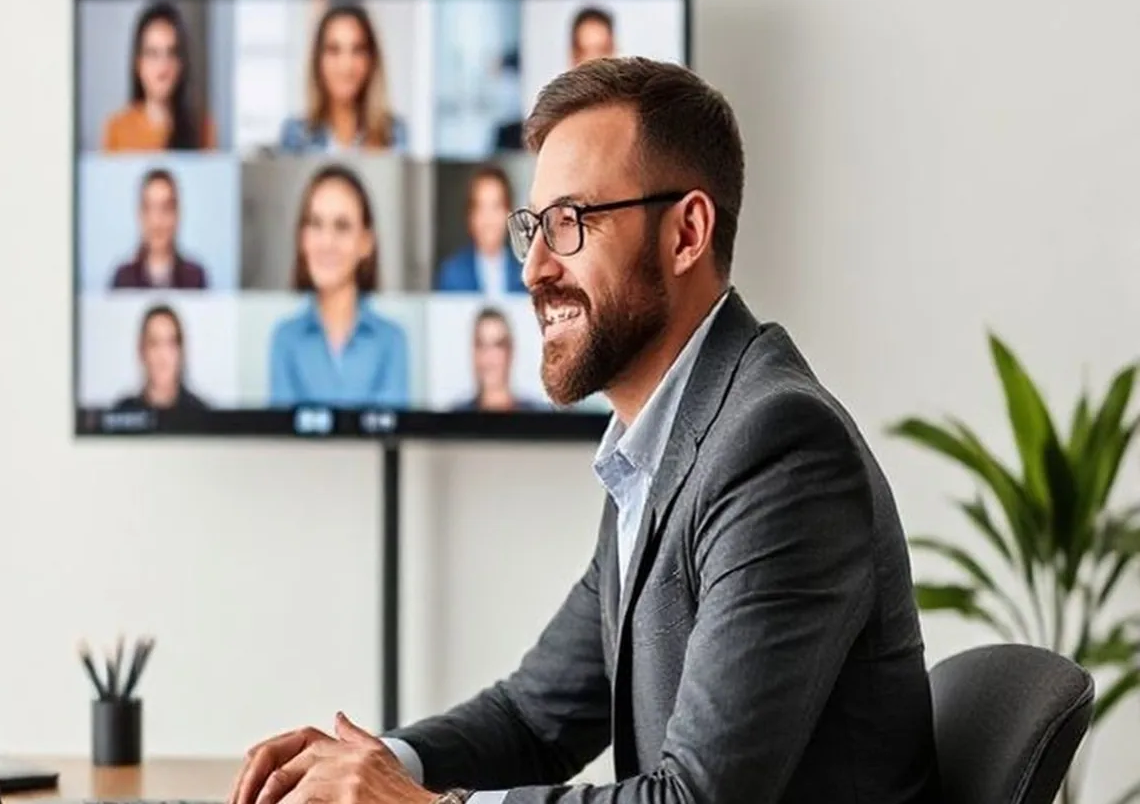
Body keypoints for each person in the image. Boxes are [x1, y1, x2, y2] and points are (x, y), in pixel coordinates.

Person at [230, 57, 939, 804]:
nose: (533, 269)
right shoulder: (660, 445)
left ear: (686, 232)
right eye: (534, 227)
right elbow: (534, 719)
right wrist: (368, 765)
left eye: (571, 222)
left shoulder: (778, 448)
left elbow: (693, 800)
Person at [267, 164, 409, 408]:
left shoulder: (392, 340)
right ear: (302, 238)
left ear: (366, 243)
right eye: (315, 224)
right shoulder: (284, 338)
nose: (326, 242)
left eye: (342, 226)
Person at [279, 1, 409, 153]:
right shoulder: (296, 133)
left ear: (372, 60)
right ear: (318, 60)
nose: (346, 66)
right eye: (333, 50)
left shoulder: (394, 132)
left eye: (358, 50)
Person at [100, 0, 217, 151]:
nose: (163, 65)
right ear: (138, 63)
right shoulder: (117, 128)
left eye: (171, 53)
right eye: (152, 53)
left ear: (182, 63)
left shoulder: (203, 127)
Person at [495, 6, 618, 150]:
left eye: (601, 49)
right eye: (584, 50)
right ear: (572, 54)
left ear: (613, 50)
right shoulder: (552, 115)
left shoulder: (629, 113)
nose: (593, 60)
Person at [109, 167, 207, 290]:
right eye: (150, 208)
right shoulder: (123, 278)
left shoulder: (195, 277)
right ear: (140, 215)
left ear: (177, 215)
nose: (157, 221)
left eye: (166, 208)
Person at [434, 164, 526, 294]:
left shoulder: (525, 272)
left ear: (508, 213)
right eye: (480, 207)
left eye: (496, 206)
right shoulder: (452, 273)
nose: (488, 219)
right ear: (470, 216)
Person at [112, 304, 207, 412]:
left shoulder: (202, 413)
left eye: (171, 343)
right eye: (154, 343)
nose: (162, 355)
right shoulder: (123, 411)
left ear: (181, 351)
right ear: (141, 351)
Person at [451, 307, 539, 412]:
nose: (488, 356)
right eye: (480, 345)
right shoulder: (455, 415)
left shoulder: (538, 415)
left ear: (510, 352)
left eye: (497, 345)